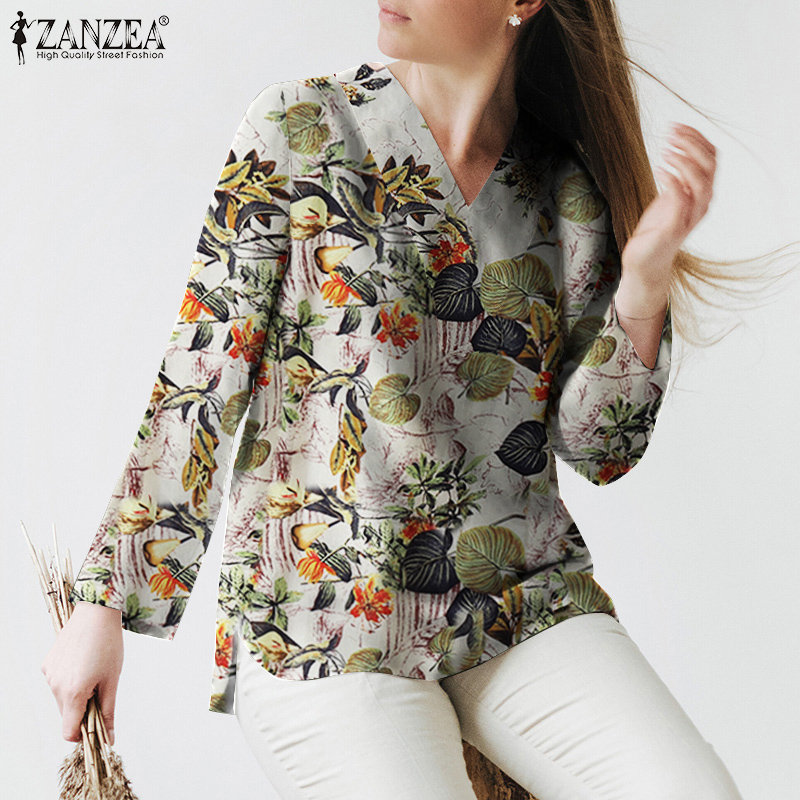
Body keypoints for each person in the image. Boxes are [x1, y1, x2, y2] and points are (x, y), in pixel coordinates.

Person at [44, 1, 782, 797]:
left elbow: (600, 450)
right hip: (324, 618)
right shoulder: (300, 128)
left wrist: (644, 285)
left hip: (518, 601)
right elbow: (202, 371)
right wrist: (104, 604)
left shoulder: (562, 190)